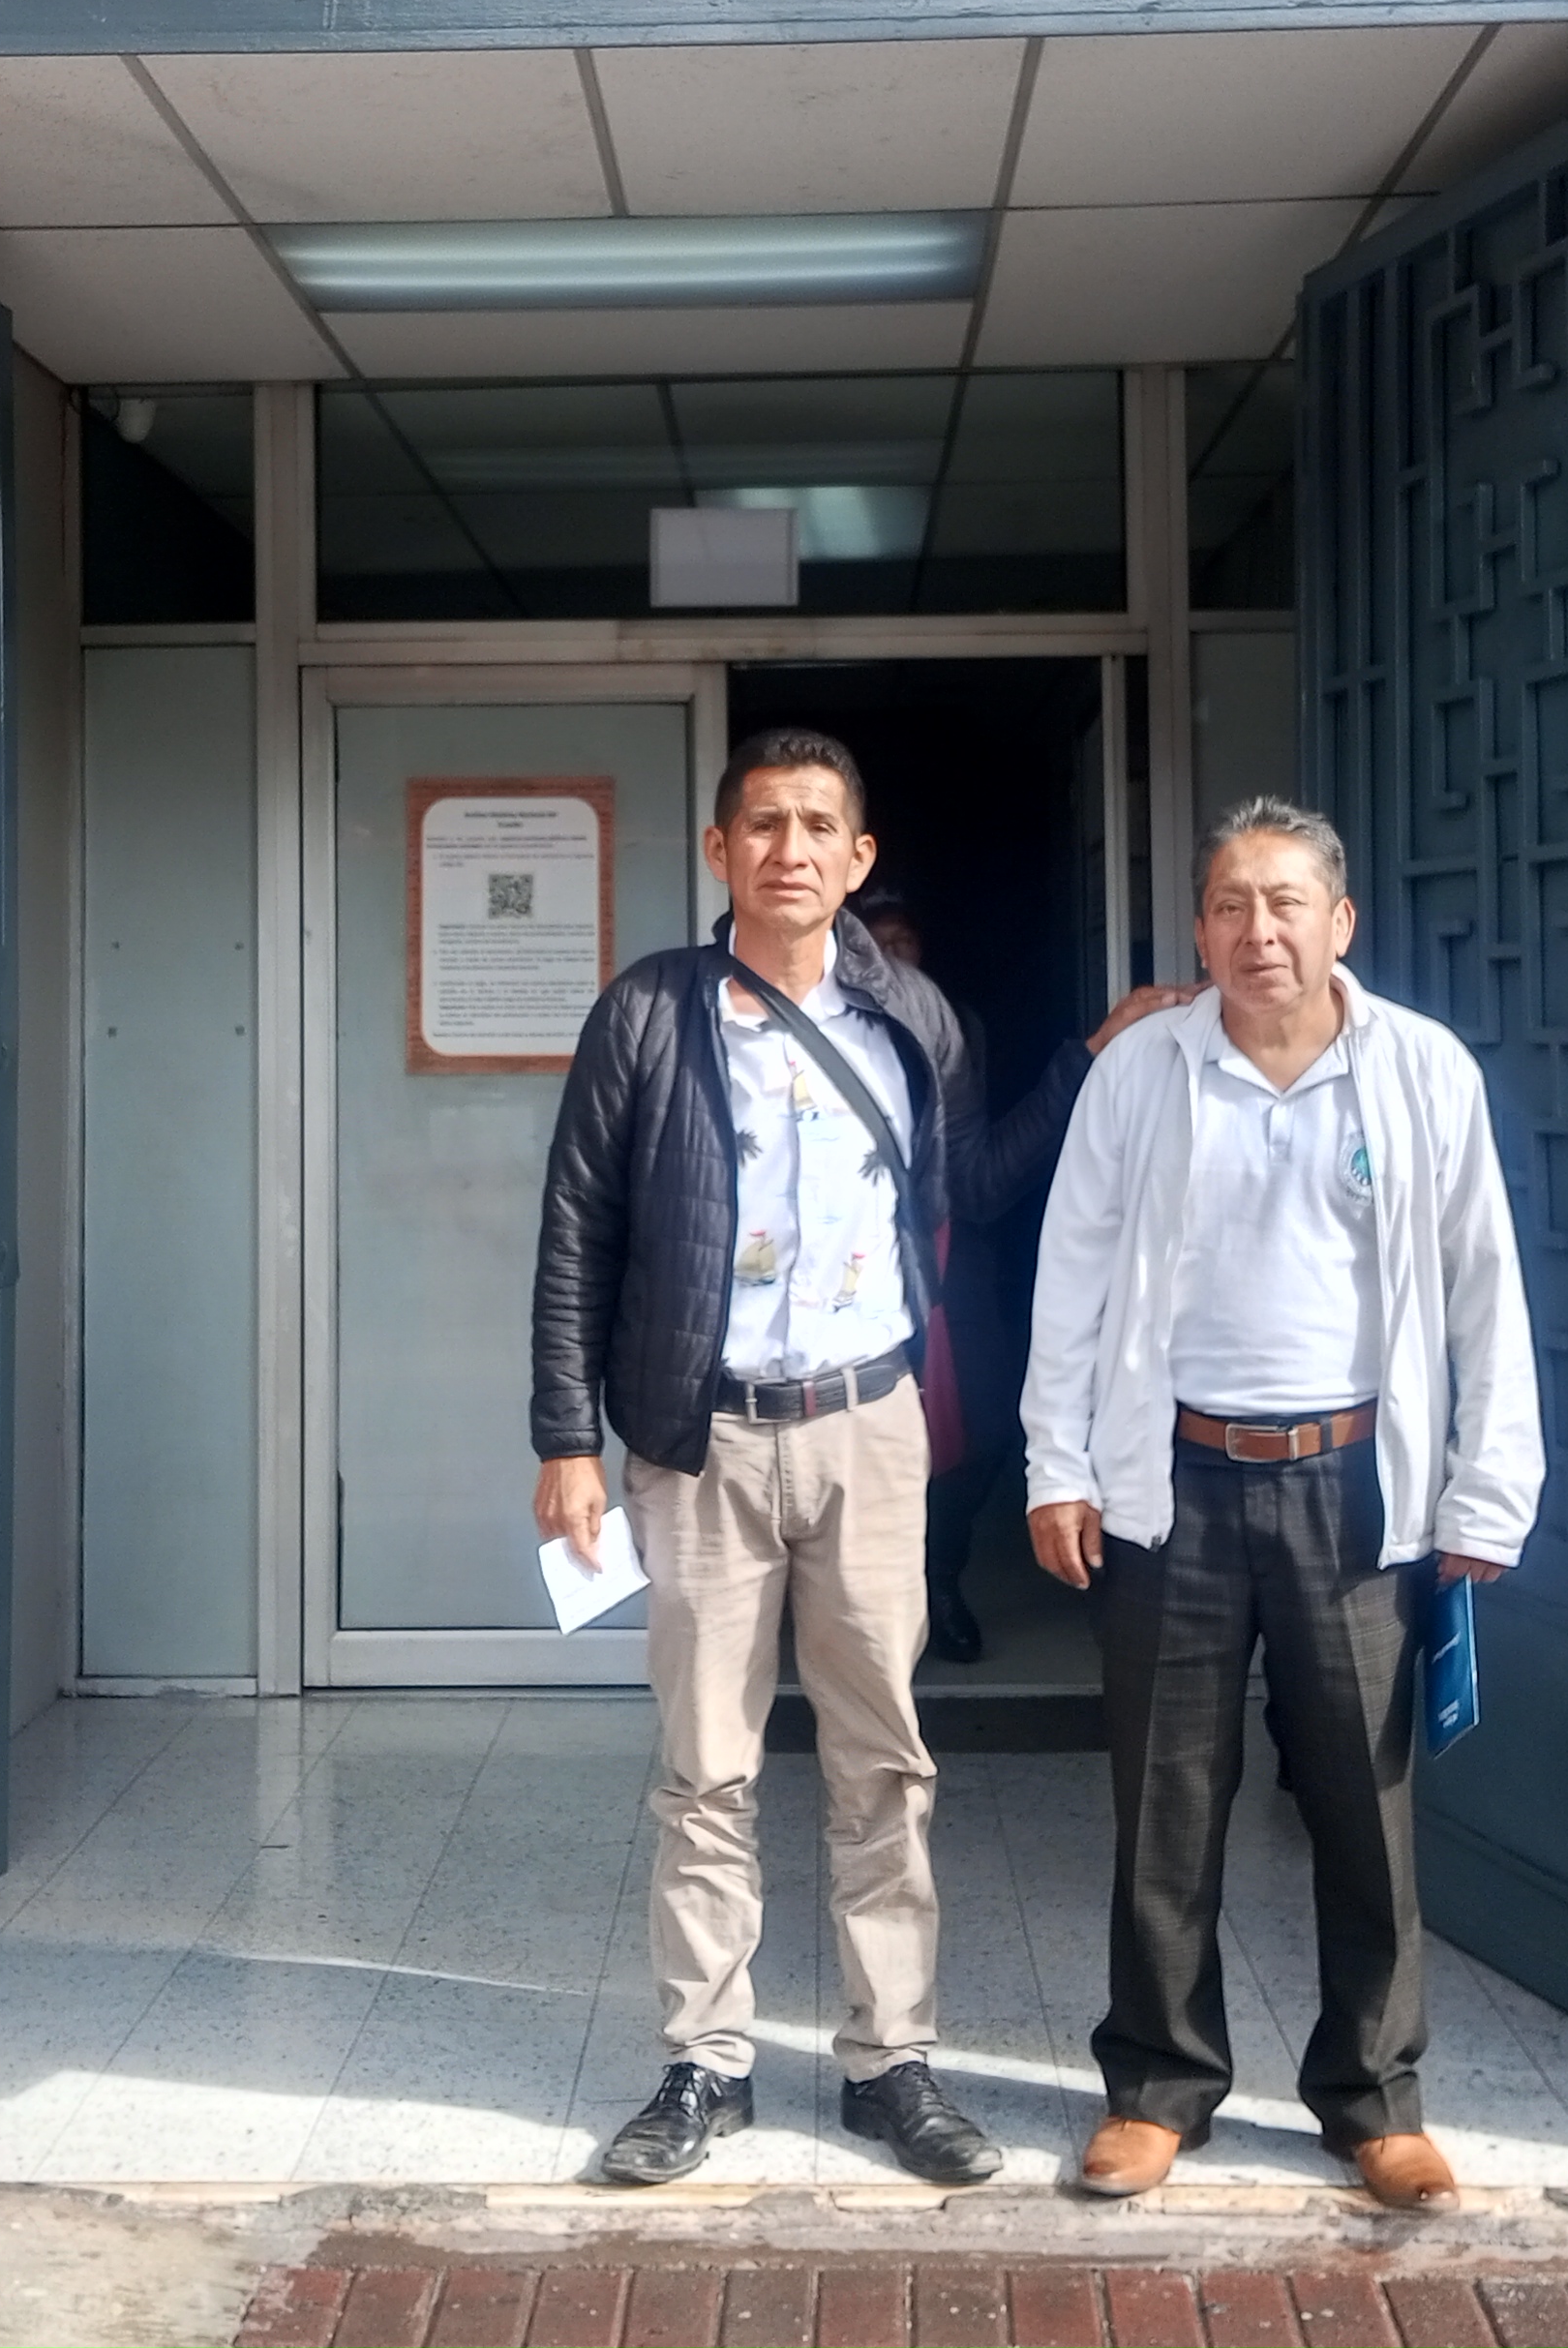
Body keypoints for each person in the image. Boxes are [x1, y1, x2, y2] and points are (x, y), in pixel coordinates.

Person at [1018, 796, 1543, 2209]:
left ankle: (1373, 2099)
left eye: (1286, 902)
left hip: (1354, 1488)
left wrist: (1487, 1488)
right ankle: (1156, 2088)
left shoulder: (1418, 1068)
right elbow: (1071, 1272)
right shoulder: (1143, 1073)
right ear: (1199, 930)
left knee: (1364, 1805)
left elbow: (1484, 1284)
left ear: (1339, 921)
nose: (1259, 931)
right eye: (1231, 905)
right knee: (1165, 1803)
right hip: (1174, 1482)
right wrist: (1057, 1464)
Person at [528, 729, 1003, 2189]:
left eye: (816, 826)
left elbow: (970, 1189)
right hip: (701, 1438)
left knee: (883, 1763)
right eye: (762, 824)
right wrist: (566, 1437)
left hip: (868, 1430)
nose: (789, 849)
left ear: (858, 858)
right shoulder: (649, 1012)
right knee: (704, 1771)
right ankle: (704, 2064)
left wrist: (1090, 1066)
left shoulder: (913, 1017)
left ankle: (891, 2061)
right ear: (719, 849)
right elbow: (576, 1228)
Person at [854, 887, 1185, 1660]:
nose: (893, 963)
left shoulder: (946, 1026)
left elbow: (980, 1182)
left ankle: (937, 1577)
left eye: (906, 945)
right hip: (839, 1283)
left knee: (980, 1433)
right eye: (876, 946)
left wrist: (1089, 1056)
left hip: (946, 1264)